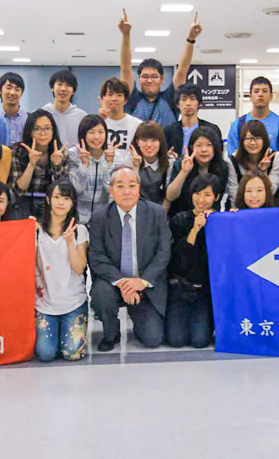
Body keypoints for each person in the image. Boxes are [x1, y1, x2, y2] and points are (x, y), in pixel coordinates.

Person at [89, 166, 172, 352]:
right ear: (111, 190)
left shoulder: (156, 213)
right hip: (113, 282)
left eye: (132, 185)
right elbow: (97, 257)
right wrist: (123, 283)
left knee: (153, 339)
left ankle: (138, 312)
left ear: (139, 188)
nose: (126, 191)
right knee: (101, 293)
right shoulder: (99, 218)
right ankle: (111, 332)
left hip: (144, 283)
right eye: (120, 186)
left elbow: (163, 252)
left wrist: (142, 282)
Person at [34, 179, 89, 362]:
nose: (61, 202)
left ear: (73, 203)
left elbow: (79, 268)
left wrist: (69, 242)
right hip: (45, 304)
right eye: (56, 197)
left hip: (73, 302)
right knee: (45, 354)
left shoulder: (79, 230)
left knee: (73, 353)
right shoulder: (35, 230)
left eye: (66, 198)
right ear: (48, 199)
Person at [118, 9, 201, 127]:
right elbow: (125, 69)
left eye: (154, 76)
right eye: (145, 76)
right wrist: (126, 35)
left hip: (168, 146)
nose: (149, 80)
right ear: (139, 79)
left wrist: (191, 38)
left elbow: (182, 70)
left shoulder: (170, 99)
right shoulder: (133, 99)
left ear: (162, 79)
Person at [165, 173, 220, 348]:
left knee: (200, 341)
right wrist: (195, 229)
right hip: (179, 289)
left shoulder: (221, 222)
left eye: (207, 194)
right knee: (176, 340)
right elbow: (180, 260)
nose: (201, 199)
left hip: (203, 292)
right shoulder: (179, 219)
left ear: (216, 197)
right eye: (197, 193)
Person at [68, 114, 131, 223]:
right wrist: (84, 164)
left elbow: (111, 191)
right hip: (77, 218)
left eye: (101, 132)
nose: (97, 137)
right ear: (83, 135)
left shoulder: (117, 157)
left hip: (105, 219)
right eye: (91, 132)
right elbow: (76, 189)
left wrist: (108, 164)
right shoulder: (74, 155)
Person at [9, 109, 69, 219]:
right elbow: (18, 191)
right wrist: (31, 165)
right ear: (29, 131)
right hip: (22, 205)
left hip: (51, 207)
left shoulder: (61, 153)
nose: (42, 133)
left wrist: (56, 166)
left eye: (47, 128)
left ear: (53, 130)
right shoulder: (17, 151)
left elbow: (63, 192)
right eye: (37, 129)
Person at [166, 126, 229, 215]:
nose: (204, 150)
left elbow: (218, 198)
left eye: (209, 145)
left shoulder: (222, 167)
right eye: (199, 145)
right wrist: (184, 172)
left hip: (210, 215)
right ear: (191, 147)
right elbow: (170, 196)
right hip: (182, 217)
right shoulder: (182, 162)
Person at [226, 76, 279, 156]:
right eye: (256, 91)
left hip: (273, 168)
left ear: (271, 96)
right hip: (243, 168)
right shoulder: (238, 124)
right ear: (250, 96)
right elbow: (232, 156)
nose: (260, 94)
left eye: (264, 91)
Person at [226, 121, 279, 207]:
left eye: (257, 138)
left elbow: (272, 191)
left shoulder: (275, 157)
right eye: (248, 138)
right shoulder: (233, 160)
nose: (253, 143)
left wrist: (263, 172)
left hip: (268, 206)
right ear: (242, 141)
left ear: (264, 140)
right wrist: (237, 215)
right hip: (240, 207)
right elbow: (234, 193)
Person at [164, 84, 222, 154]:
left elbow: (218, 156)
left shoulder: (212, 129)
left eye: (192, 99)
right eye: (184, 99)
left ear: (199, 103)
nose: (188, 103)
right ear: (178, 104)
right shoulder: (168, 131)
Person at [131, 121, 171, 206]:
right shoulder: (129, 160)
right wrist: (135, 167)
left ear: (160, 142)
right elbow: (129, 191)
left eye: (154, 140)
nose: (149, 145)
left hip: (162, 212)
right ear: (137, 142)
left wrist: (159, 215)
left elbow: (169, 197)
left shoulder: (170, 162)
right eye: (144, 140)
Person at [42, 69, 86, 146]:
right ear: (52, 87)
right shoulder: (41, 114)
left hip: (75, 157)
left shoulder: (82, 116)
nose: (63, 89)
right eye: (59, 84)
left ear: (73, 91)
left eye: (68, 85)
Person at [98, 77, 141, 150]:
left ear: (125, 100)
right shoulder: (95, 124)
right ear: (103, 98)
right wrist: (100, 120)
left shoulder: (137, 125)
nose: (114, 98)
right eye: (110, 94)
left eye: (119, 95)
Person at [0, 72, 29, 147]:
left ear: (21, 93)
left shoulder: (28, 118)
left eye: (17, 89)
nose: (12, 92)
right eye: (8, 88)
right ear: (0, 90)